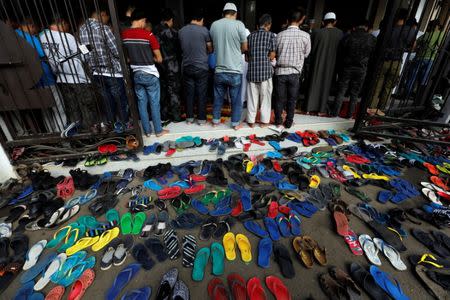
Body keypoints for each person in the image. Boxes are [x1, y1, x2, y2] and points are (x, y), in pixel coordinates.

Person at [40, 16, 98, 130]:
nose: (68, 27)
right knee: (87, 108)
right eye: (67, 25)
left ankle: (76, 136)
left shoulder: (42, 37)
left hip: (61, 78)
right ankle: (89, 135)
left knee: (72, 110)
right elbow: (83, 57)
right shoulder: (67, 36)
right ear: (62, 23)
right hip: (78, 78)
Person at [79, 6, 130, 125]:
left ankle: (110, 125)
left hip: (96, 72)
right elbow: (117, 51)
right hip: (112, 72)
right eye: (107, 16)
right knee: (120, 101)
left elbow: (84, 52)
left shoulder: (81, 30)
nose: (107, 19)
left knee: (107, 102)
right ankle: (124, 126)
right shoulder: (104, 29)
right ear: (101, 14)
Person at [121, 11, 169, 137]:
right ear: (141, 20)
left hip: (136, 74)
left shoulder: (124, 35)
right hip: (150, 74)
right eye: (144, 21)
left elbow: (126, 59)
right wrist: (149, 57)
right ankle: (158, 130)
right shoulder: (148, 35)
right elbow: (159, 59)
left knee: (141, 104)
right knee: (154, 103)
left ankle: (147, 131)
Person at [368, 8, 417, 113]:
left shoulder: (387, 29)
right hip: (396, 61)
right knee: (388, 88)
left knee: (377, 86)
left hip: (383, 60)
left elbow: (378, 44)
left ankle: (370, 109)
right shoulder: (409, 31)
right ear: (406, 17)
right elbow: (413, 47)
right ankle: (381, 111)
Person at [210, 2, 248, 130]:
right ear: (235, 14)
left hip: (219, 69)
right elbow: (245, 47)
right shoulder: (239, 25)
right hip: (235, 70)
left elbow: (213, 46)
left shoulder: (214, 25)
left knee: (218, 97)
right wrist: (237, 52)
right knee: (236, 99)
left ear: (223, 13)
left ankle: (215, 120)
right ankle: (235, 124)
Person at [329, 19, 376, 118]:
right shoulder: (371, 39)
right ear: (366, 27)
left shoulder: (348, 37)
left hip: (347, 68)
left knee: (341, 90)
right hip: (361, 69)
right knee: (355, 93)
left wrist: (338, 68)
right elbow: (373, 55)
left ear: (355, 27)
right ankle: (349, 115)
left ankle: (335, 113)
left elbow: (340, 54)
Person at [274, 9, 310, 129]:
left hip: (280, 71)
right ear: (301, 20)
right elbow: (306, 54)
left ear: (288, 20)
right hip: (295, 72)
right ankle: (289, 122)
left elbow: (275, 53)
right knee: (292, 99)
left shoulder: (279, 35)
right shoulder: (306, 36)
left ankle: (278, 121)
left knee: (279, 99)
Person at [179, 9, 212, 125]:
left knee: (189, 93)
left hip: (187, 66)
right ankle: (202, 120)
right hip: (201, 67)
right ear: (201, 20)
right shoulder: (204, 31)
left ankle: (189, 119)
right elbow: (210, 48)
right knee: (201, 93)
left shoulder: (181, 31)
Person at [306, 12, 343, 115]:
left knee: (314, 83)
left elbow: (310, 50)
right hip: (331, 65)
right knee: (326, 86)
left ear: (323, 22)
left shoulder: (317, 32)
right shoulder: (340, 34)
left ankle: (309, 108)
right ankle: (321, 110)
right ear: (335, 22)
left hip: (317, 63)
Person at [246, 14, 276, 128]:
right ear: (268, 24)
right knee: (265, 99)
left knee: (252, 98)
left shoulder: (250, 37)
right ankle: (263, 122)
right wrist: (265, 59)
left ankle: (251, 121)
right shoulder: (271, 36)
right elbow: (272, 56)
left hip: (252, 72)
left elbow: (246, 57)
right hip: (265, 73)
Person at [154, 9, 182, 122]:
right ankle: (176, 116)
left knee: (162, 91)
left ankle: (164, 115)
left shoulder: (155, 31)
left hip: (159, 66)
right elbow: (179, 50)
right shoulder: (173, 33)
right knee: (174, 90)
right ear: (170, 20)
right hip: (172, 65)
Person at [405, 20, 444, 95]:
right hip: (430, 59)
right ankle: (419, 95)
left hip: (419, 57)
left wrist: (416, 49)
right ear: (437, 26)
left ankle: (407, 93)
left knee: (412, 76)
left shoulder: (426, 34)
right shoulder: (440, 34)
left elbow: (415, 43)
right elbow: (440, 46)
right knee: (423, 79)